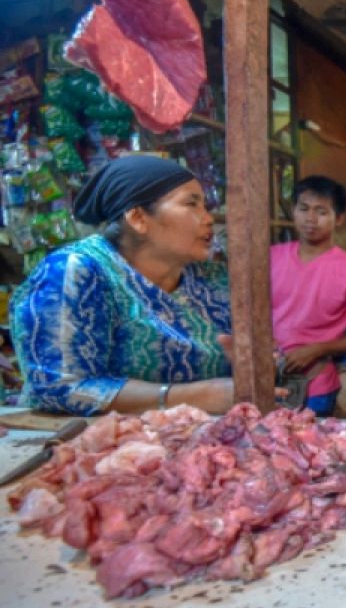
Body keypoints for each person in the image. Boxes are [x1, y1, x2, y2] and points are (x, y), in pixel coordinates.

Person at [12, 156, 235, 415]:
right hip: (90, 443)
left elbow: (235, 368)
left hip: (195, 442)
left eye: (205, 206)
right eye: (191, 204)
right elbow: (60, 386)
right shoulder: (76, 271)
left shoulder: (210, 277)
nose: (209, 219)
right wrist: (196, 397)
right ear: (138, 218)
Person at [270, 175, 346, 416]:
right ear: (293, 211)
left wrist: (317, 349)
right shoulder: (270, 258)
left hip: (317, 385)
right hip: (268, 379)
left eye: (321, 211)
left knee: (310, 449)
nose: (310, 218)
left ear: (339, 218)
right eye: (304, 208)